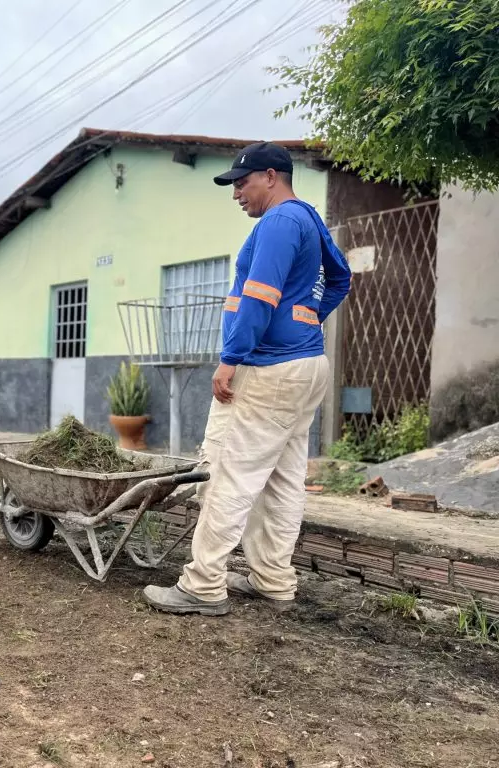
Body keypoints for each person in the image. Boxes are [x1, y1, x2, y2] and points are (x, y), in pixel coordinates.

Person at [144, 142, 351, 616]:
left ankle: (202, 585)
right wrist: (305, 318)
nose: (236, 193)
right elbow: (341, 279)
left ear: (272, 176)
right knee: (282, 480)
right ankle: (274, 580)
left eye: (243, 182)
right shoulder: (309, 219)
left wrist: (231, 357)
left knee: (228, 475)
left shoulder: (279, 222)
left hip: (268, 367)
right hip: (304, 367)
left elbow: (258, 295)